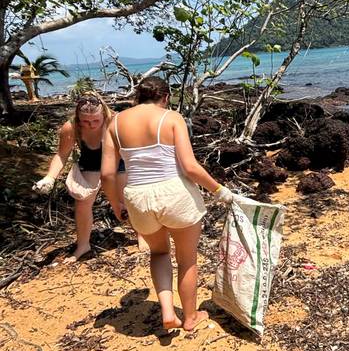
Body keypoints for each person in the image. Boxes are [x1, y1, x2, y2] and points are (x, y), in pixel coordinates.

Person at [102, 75, 234, 332]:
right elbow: (190, 166)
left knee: (160, 253)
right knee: (187, 260)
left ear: (137, 97)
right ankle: (190, 317)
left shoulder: (114, 123)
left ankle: (167, 311)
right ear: (165, 97)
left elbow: (107, 174)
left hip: (137, 196)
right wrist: (219, 190)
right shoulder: (171, 117)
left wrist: (116, 203)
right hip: (175, 194)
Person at [33, 94, 121, 262]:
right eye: (86, 122)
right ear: (78, 118)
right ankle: (83, 245)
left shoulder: (115, 121)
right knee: (82, 203)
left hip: (117, 162)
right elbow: (61, 155)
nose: (91, 125)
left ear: (103, 114)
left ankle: (141, 235)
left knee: (126, 198)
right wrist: (49, 178)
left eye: (96, 121)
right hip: (90, 162)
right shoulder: (71, 127)